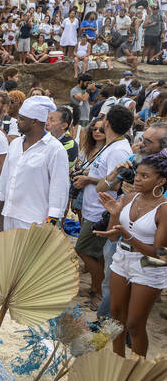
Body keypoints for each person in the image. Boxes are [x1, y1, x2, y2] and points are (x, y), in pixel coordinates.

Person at [93, 152, 167, 358]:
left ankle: (137, 369)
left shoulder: (163, 209)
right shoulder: (128, 198)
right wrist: (115, 215)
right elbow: (114, 238)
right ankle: (119, 362)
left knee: (135, 324)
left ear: (161, 181)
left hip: (149, 265)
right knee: (116, 318)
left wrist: (129, 237)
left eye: (145, 176)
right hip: (122, 258)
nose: (137, 179)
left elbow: (161, 255)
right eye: (138, 174)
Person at [72, 105, 133, 310]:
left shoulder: (119, 150)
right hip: (94, 208)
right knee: (93, 253)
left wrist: (89, 180)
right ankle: (95, 288)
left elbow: (116, 184)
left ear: (107, 122)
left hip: (102, 211)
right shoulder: (111, 145)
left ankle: (97, 292)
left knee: (84, 250)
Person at [0, 96, 70, 231]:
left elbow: (59, 189)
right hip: (10, 216)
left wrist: (50, 223)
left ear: (34, 122)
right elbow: (5, 178)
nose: (17, 122)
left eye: (21, 119)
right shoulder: (15, 144)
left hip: (34, 222)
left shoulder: (55, 149)